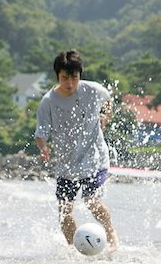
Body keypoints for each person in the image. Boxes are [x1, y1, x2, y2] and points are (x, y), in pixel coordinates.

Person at [35, 49, 118, 251]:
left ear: (80, 74)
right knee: (65, 210)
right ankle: (75, 249)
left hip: (95, 158)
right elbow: (40, 134)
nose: (70, 83)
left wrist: (105, 117)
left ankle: (111, 235)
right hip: (67, 165)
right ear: (57, 76)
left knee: (92, 202)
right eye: (65, 78)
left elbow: (108, 101)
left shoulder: (93, 90)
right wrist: (43, 148)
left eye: (74, 77)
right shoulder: (48, 102)